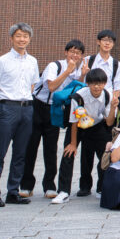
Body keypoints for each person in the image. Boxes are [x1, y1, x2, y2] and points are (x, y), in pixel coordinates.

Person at [21, 39, 85, 199]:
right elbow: (51, 87)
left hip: (55, 110)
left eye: (78, 53)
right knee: (31, 146)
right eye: (72, 51)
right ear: (66, 52)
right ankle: (26, 185)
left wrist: (82, 75)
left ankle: (49, 185)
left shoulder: (78, 71)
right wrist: (67, 71)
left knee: (51, 148)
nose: (74, 55)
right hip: (38, 106)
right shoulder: (54, 66)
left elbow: (77, 91)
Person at [0, 23, 39, 207]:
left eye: (25, 36)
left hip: (26, 108)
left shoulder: (32, 61)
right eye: (18, 36)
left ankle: (13, 191)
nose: (22, 39)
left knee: (20, 153)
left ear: (29, 39)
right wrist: (1, 108)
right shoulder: (2, 61)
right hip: (7, 107)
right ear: (12, 38)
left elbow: (33, 85)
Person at [54, 67, 118, 204]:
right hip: (78, 126)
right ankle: (64, 191)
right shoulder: (79, 96)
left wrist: (113, 107)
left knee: (105, 155)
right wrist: (72, 144)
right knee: (68, 153)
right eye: (93, 83)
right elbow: (74, 122)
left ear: (105, 83)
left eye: (100, 83)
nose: (96, 86)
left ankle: (102, 188)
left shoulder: (108, 95)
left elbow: (110, 121)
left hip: (99, 125)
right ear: (87, 83)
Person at [86, 30, 120, 94]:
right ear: (98, 42)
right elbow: (81, 83)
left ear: (113, 44)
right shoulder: (88, 60)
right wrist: (83, 74)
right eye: (105, 40)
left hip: (108, 100)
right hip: (89, 99)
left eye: (110, 41)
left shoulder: (117, 65)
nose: (107, 43)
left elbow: (117, 89)